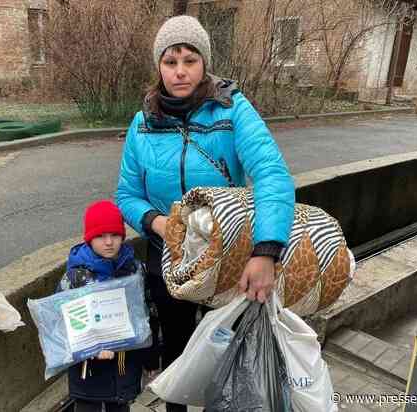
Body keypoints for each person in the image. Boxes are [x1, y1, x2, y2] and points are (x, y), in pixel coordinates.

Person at [115, 15, 295, 412]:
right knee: (177, 350)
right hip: (170, 260)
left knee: (227, 350)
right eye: (170, 61)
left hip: (229, 257)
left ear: (204, 63)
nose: (179, 71)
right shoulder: (142, 124)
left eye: (190, 60)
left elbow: (271, 175)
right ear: (158, 66)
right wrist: (158, 223)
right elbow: (126, 193)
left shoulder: (232, 110)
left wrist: (266, 252)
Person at [57, 200, 154, 412]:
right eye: (100, 236)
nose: (109, 242)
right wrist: (90, 347)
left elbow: (146, 312)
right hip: (88, 368)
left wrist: (151, 358)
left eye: (115, 235)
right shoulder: (76, 276)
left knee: (120, 404)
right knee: (87, 406)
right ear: (89, 238)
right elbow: (62, 321)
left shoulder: (134, 269)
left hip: (125, 362)